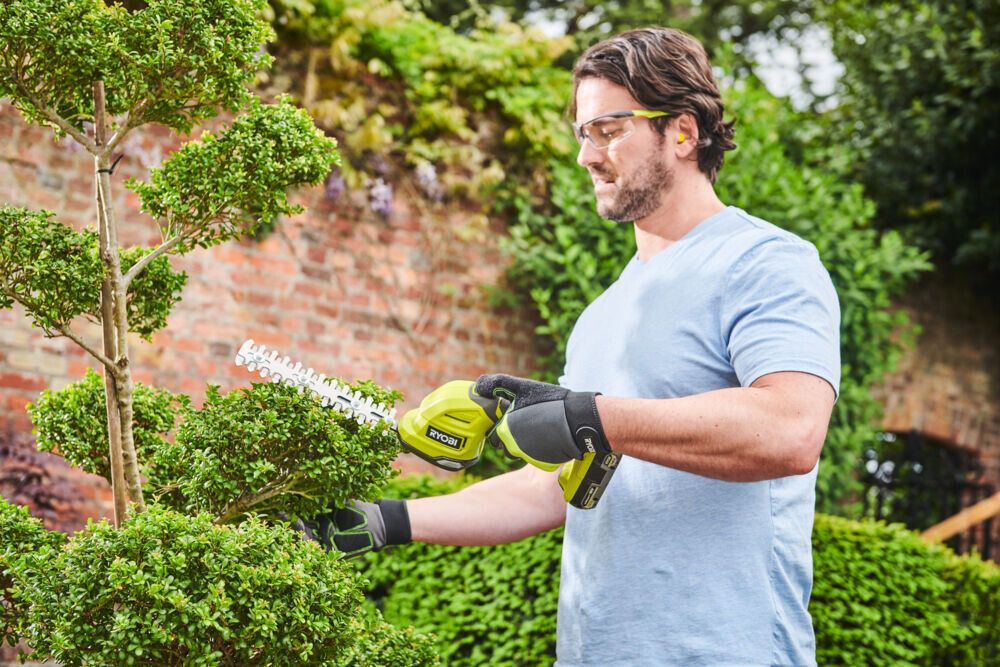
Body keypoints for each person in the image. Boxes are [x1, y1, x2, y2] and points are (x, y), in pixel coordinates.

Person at [309, 27, 840, 666]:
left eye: (609, 131)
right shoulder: (601, 315)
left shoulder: (764, 261)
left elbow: (791, 430)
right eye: (582, 134)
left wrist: (588, 416)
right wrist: (387, 520)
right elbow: (554, 489)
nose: (588, 156)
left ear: (682, 132)